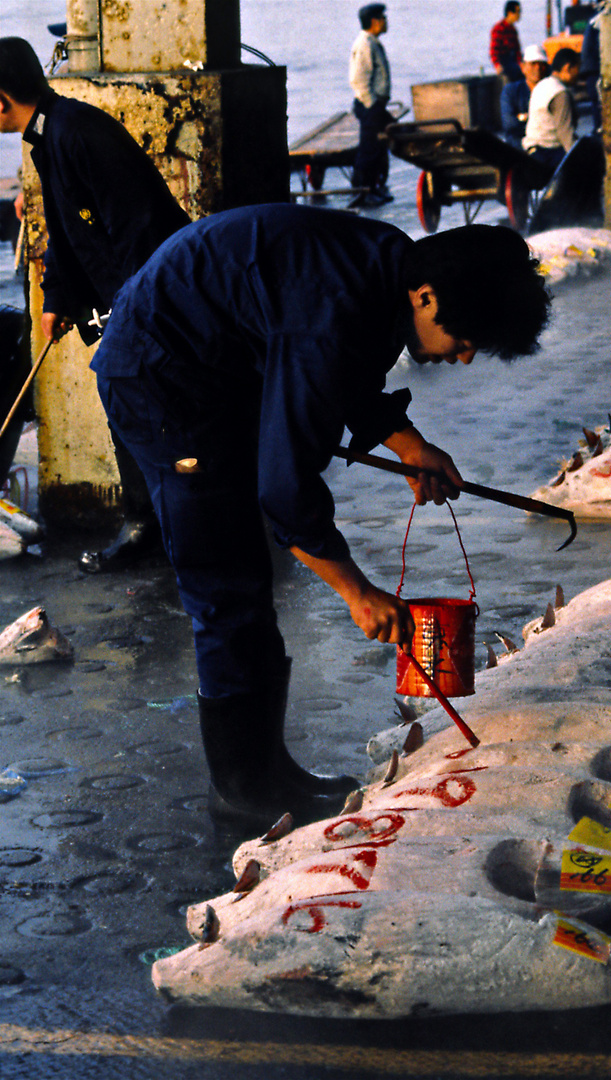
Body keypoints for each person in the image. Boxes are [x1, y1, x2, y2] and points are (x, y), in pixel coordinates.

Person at [90, 203, 550, 837]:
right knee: (226, 579)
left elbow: (345, 369)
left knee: (251, 578)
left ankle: (270, 768)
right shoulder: (336, 310)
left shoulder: (388, 268)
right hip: (160, 379)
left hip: (218, 367)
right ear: (426, 295)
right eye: (465, 340)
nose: (465, 359)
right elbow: (287, 488)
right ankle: (242, 791)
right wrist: (357, 593)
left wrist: (404, 440)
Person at [0, 36, 190, 573]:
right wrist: (57, 297)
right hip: (129, 301)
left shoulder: (76, 132)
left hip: (152, 299)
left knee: (142, 405)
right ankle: (155, 523)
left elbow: (140, 230)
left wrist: (129, 311)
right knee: (132, 405)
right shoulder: (51, 134)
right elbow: (67, 232)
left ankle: (154, 526)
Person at [349, 3, 394, 208]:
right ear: (375, 21)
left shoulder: (372, 42)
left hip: (374, 105)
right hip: (369, 106)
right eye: (383, 18)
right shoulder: (365, 44)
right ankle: (362, 191)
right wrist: (373, 106)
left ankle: (373, 189)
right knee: (369, 150)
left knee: (378, 146)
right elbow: (358, 80)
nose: (386, 22)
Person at [522, 47, 580, 180]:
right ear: (567, 68)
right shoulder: (559, 93)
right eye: (578, 68)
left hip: (532, 149)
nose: (579, 73)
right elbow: (566, 136)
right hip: (547, 154)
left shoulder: (543, 85)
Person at [500, 44, 548, 148]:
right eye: (533, 64)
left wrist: (524, 117)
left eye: (541, 64)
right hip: (519, 146)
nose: (538, 68)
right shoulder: (511, 91)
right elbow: (509, 124)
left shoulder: (551, 90)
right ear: (523, 67)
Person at [489, 2, 523, 82]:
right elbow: (494, 50)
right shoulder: (499, 28)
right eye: (517, 12)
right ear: (510, 13)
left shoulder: (513, 30)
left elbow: (517, 50)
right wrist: (497, 65)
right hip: (504, 62)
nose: (519, 15)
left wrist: (521, 63)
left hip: (513, 61)